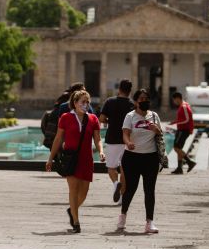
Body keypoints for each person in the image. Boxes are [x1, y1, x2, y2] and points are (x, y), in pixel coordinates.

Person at [45, 90, 105, 234]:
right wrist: (50, 158)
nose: (85, 104)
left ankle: (72, 209)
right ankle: (76, 222)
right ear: (75, 103)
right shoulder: (65, 117)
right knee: (73, 189)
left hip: (87, 159)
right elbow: (58, 139)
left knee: (84, 192)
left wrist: (101, 151)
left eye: (87, 102)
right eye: (82, 102)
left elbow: (97, 138)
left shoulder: (93, 119)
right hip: (71, 158)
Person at [118, 88, 163, 234]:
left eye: (146, 99)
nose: (144, 101)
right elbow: (125, 134)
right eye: (141, 99)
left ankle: (149, 222)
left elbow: (160, 134)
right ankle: (123, 215)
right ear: (136, 102)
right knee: (130, 188)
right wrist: (128, 143)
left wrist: (156, 130)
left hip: (150, 157)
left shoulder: (154, 116)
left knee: (149, 190)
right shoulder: (130, 116)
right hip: (132, 157)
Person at [100, 79, 134, 203]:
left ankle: (115, 184)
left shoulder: (110, 101)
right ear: (130, 91)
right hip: (127, 140)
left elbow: (102, 118)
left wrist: (111, 121)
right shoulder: (132, 104)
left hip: (112, 138)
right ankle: (121, 198)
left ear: (119, 89)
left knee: (111, 167)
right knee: (124, 169)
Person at [169, 92, 196, 174]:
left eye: (174, 100)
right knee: (178, 148)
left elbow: (187, 119)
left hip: (184, 130)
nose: (174, 102)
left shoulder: (184, 106)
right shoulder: (183, 105)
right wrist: (175, 122)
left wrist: (175, 122)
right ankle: (179, 168)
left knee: (176, 148)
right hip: (181, 129)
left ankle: (190, 162)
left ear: (177, 98)